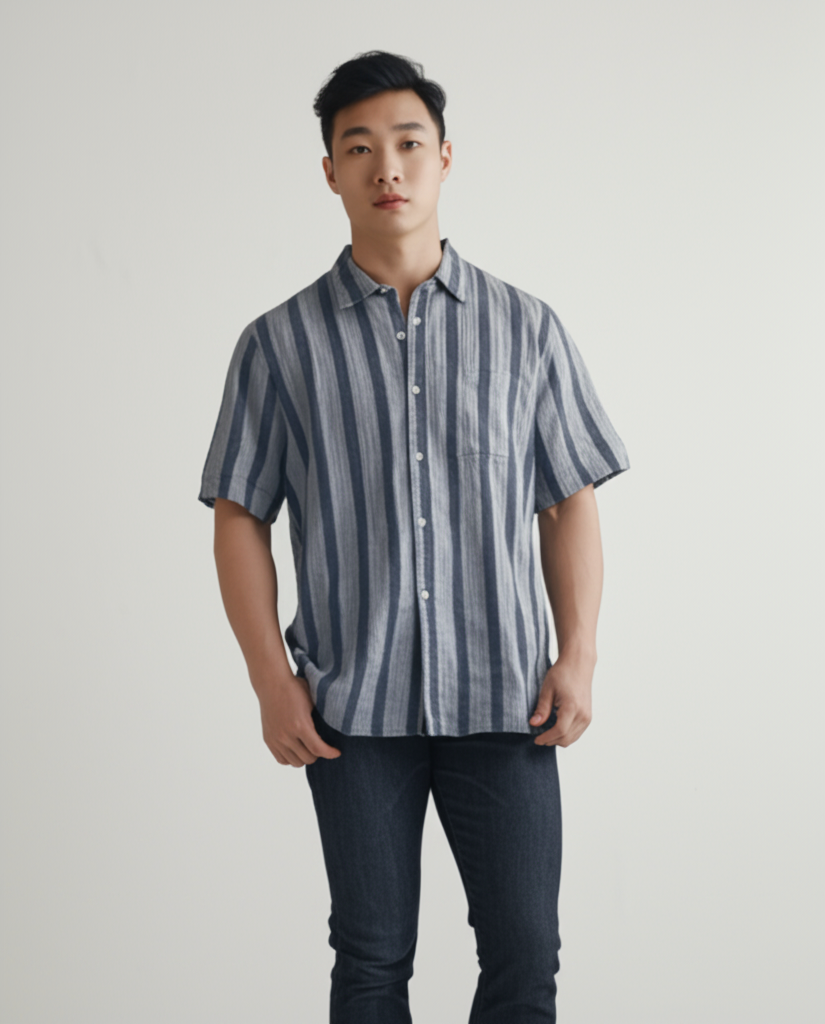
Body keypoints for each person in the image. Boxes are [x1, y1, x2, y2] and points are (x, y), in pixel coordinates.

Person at [198, 49, 630, 1024]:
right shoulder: (278, 344)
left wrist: (579, 654)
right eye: (359, 148)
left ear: (444, 157)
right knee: (370, 959)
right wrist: (270, 680)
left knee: (524, 955)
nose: (386, 167)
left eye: (406, 143)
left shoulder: (526, 328)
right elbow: (239, 515)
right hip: (350, 711)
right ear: (330, 172)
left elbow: (568, 500)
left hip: (507, 702)